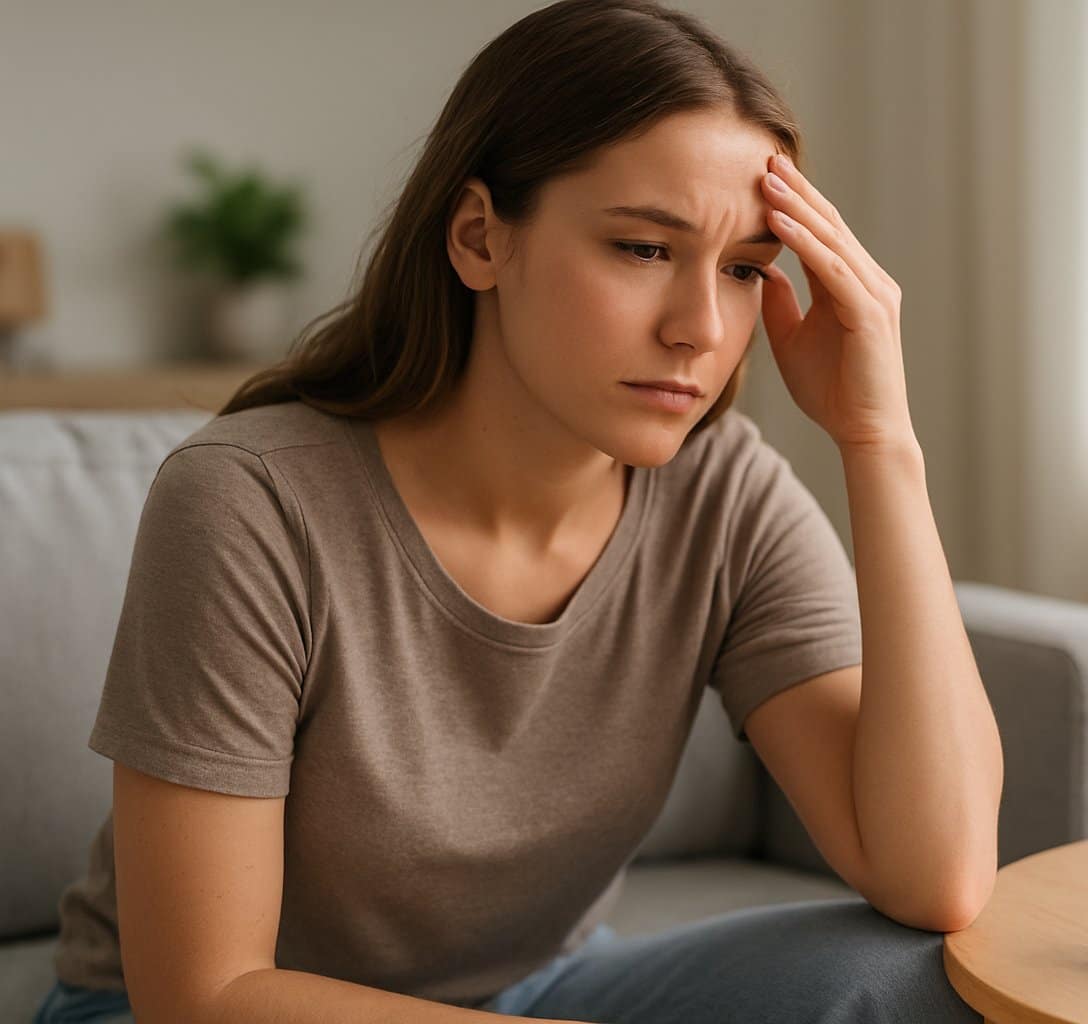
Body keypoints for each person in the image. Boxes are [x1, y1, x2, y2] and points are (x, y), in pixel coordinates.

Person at [33, 1, 1003, 1021]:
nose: (700, 328)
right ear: (480, 238)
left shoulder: (724, 492)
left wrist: (880, 445)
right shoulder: (251, 501)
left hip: (531, 996)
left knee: (911, 978)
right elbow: (205, 991)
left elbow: (934, 876)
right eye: (642, 248)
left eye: (745, 269)